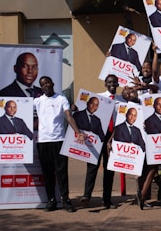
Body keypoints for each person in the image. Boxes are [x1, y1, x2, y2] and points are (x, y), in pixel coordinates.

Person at [34, 76, 84, 213]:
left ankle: (66, 200)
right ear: (41, 87)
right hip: (43, 141)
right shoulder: (37, 101)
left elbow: (68, 116)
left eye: (47, 83)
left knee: (61, 173)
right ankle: (51, 201)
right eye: (43, 84)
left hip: (59, 140)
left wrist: (78, 132)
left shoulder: (61, 99)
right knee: (47, 173)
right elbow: (22, 114)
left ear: (53, 83)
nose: (46, 86)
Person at [81, 74, 123, 209]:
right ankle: (86, 196)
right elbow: (84, 108)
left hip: (113, 136)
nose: (112, 84)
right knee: (92, 166)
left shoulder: (122, 100)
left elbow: (121, 121)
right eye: (109, 82)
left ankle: (107, 199)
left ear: (118, 84)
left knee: (109, 169)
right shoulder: (98, 97)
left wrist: (112, 139)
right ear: (105, 84)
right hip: (98, 135)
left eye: (114, 82)